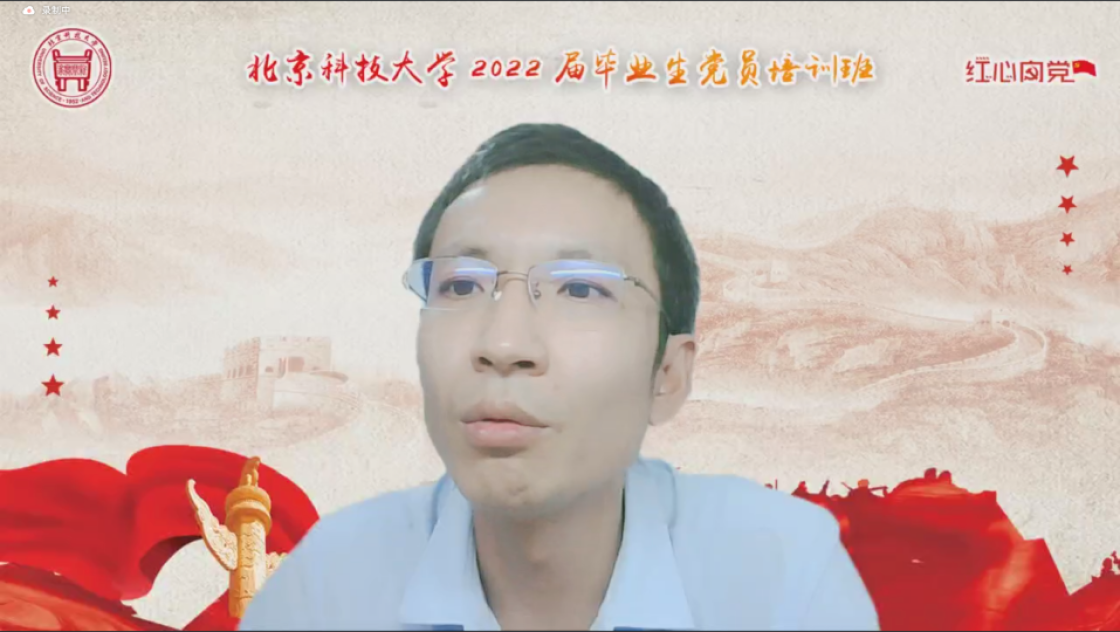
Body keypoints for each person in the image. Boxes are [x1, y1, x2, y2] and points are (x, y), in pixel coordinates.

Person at [238, 123, 879, 631]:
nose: (504, 345)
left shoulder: (782, 581)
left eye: (578, 289)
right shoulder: (330, 587)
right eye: (461, 285)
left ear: (667, 374)